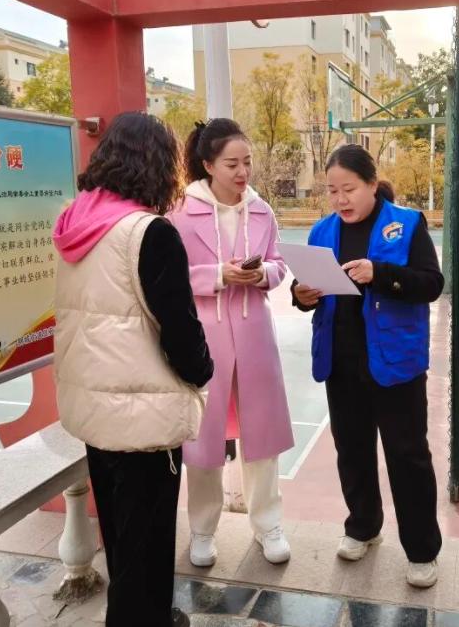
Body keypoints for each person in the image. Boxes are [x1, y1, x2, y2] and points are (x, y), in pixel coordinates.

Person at [52, 112, 213, 627]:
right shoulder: (150, 234)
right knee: (147, 545)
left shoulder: (76, 223)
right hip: (142, 415)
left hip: (94, 409)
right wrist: (202, 371)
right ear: (160, 165)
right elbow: (180, 331)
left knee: (122, 537)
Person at [291, 144, 444, 588]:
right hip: (341, 361)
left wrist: (381, 274)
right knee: (352, 450)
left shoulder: (407, 224)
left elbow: (431, 285)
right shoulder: (322, 231)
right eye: (332, 190)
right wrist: (301, 296)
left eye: (349, 189)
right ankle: (362, 526)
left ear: (372, 185)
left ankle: (422, 550)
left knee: (408, 456)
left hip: (396, 362)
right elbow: (308, 290)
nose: (340, 199)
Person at [169, 118, 294, 567]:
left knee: (263, 437)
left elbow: (279, 264)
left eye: (247, 162)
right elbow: (168, 278)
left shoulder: (262, 211)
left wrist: (262, 275)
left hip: (255, 334)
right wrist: (216, 275)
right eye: (232, 164)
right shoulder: (179, 213)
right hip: (204, 337)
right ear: (208, 165)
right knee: (203, 440)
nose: (243, 172)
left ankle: (268, 524)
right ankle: (203, 530)